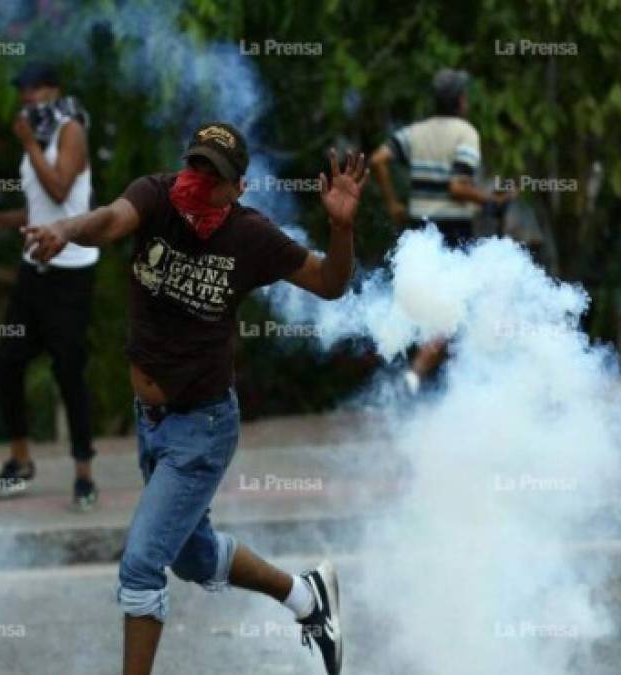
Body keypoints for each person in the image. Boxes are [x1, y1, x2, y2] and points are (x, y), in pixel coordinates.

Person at [23, 122, 367, 675]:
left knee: (141, 565)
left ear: (237, 188)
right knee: (191, 554)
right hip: (151, 421)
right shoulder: (156, 197)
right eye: (195, 165)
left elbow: (329, 282)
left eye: (215, 175)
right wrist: (65, 228)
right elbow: (111, 220)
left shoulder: (251, 237)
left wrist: (341, 228)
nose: (198, 181)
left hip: (202, 428)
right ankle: (307, 597)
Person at [0, 61, 99, 510]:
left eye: (34, 88)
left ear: (52, 89)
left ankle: (84, 474)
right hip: (34, 267)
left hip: (70, 269)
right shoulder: (38, 135)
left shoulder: (70, 130)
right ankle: (20, 460)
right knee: (7, 361)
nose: (27, 97)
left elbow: (63, 190)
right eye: (22, 90)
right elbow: (41, 209)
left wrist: (28, 144)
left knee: (68, 370)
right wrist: (6, 220)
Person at [370, 68, 511, 393]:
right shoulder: (466, 133)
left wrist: (393, 204)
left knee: (433, 306)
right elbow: (457, 187)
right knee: (454, 311)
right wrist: (491, 200)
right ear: (462, 101)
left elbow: (378, 159)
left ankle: (429, 381)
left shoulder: (416, 132)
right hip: (452, 232)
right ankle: (417, 375)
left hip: (420, 231)